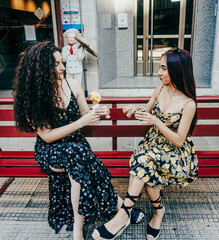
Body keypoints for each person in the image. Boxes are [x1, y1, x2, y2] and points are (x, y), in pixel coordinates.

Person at [13, 41, 145, 240]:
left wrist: (98, 113)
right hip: (51, 149)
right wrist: (81, 122)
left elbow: (85, 114)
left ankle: (78, 226)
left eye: (62, 62)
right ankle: (120, 207)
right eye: (56, 64)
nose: (63, 67)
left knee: (78, 160)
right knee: (79, 155)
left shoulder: (72, 84)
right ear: (40, 69)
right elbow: (47, 136)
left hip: (76, 148)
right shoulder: (34, 97)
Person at [92, 48, 198, 240]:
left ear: (178, 70)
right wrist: (135, 110)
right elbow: (146, 113)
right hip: (153, 146)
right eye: (160, 67)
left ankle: (125, 214)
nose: (158, 73)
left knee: (143, 162)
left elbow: (179, 140)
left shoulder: (188, 103)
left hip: (174, 153)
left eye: (163, 68)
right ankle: (155, 211)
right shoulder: (159, 90)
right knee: (146, 164)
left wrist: (156, 121)